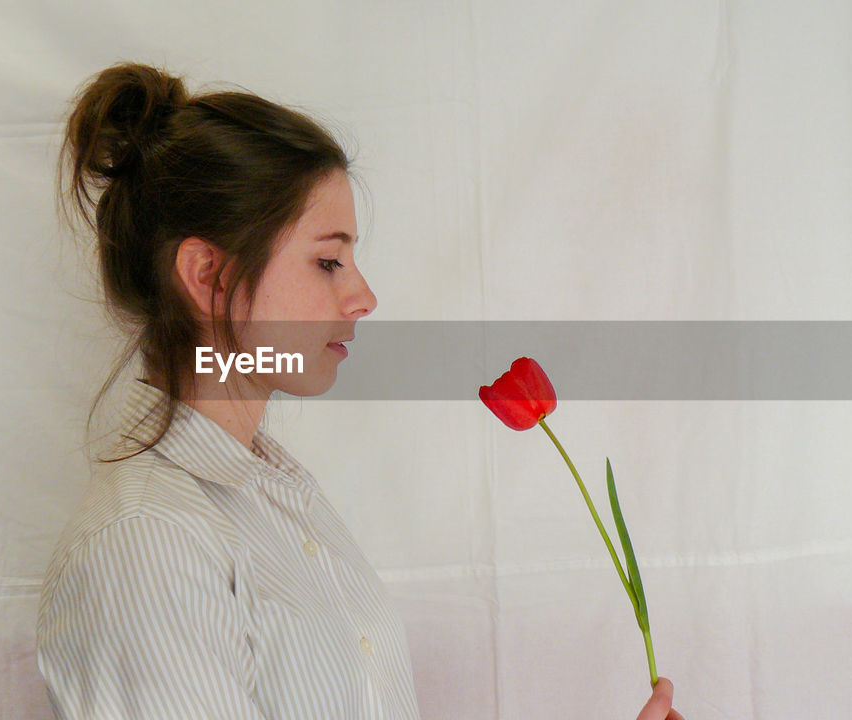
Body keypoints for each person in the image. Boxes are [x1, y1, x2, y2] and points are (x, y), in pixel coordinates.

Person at [37, 61, 684, 720]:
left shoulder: (282, 502)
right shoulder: (147, 543)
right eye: (328, 261)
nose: (363, 295)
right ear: (208, 274)